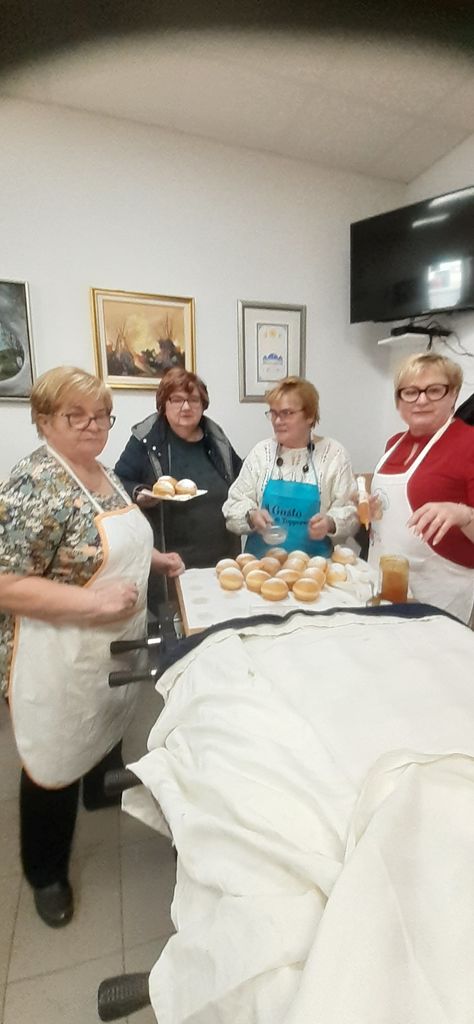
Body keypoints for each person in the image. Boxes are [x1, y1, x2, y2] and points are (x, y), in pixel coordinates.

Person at [0, 366, 184, 928]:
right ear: (43, 420)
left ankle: (100, 790)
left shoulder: (100, 471)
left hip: (108, 644)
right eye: (74, 415)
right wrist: (89, 604)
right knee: (54, 757)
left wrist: (154, 559)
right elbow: (5, 583)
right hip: (57, 651)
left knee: (104, 720)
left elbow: (112, 542)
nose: (92, 425)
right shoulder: (35, 483)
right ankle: (46, 872)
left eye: (101, 415)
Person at [115, 368, 242, 599]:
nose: (186, 407)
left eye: (193, 400)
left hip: (221, 559)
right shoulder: (146, 440)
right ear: (163, 404)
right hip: (171, 562)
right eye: (176, 399)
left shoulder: (217, 439)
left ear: (203, 404)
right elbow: (118, 481)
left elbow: (241, 478)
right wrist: (139, 493)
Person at [368, 352, 474, 624]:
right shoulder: (393, 443)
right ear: (399, 400)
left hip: (440, 592)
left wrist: (464, 514)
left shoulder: (469, 443)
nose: (422, 400)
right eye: (411, 392)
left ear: (454, 394)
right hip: (384, 581)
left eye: (434, 390)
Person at [222, 376, 359, 557]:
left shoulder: (334, 455)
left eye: (287, 413)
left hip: (314, 567)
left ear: (310, 415)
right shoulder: (261, 453)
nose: (278, 421)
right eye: (273, 413)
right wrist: (251, 516)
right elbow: (233, 505)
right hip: (261, 566)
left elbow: (352, 513)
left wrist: (330, 523)